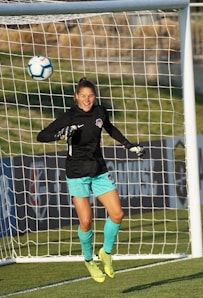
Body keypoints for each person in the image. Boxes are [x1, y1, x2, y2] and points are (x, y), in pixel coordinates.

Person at [37, 77, 145, 283]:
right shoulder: (69, 116)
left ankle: (105, 252)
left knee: (118, 214)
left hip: (99, 170)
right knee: (86, 221)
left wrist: (128, 145)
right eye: (83, 96)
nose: (87, 100)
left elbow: (110, 128)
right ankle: (88, 260)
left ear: (94, 97)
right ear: (76, 96)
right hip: (77, 173)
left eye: (91, 96)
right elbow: (41, 136)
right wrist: (61, 134)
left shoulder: (99, 112)